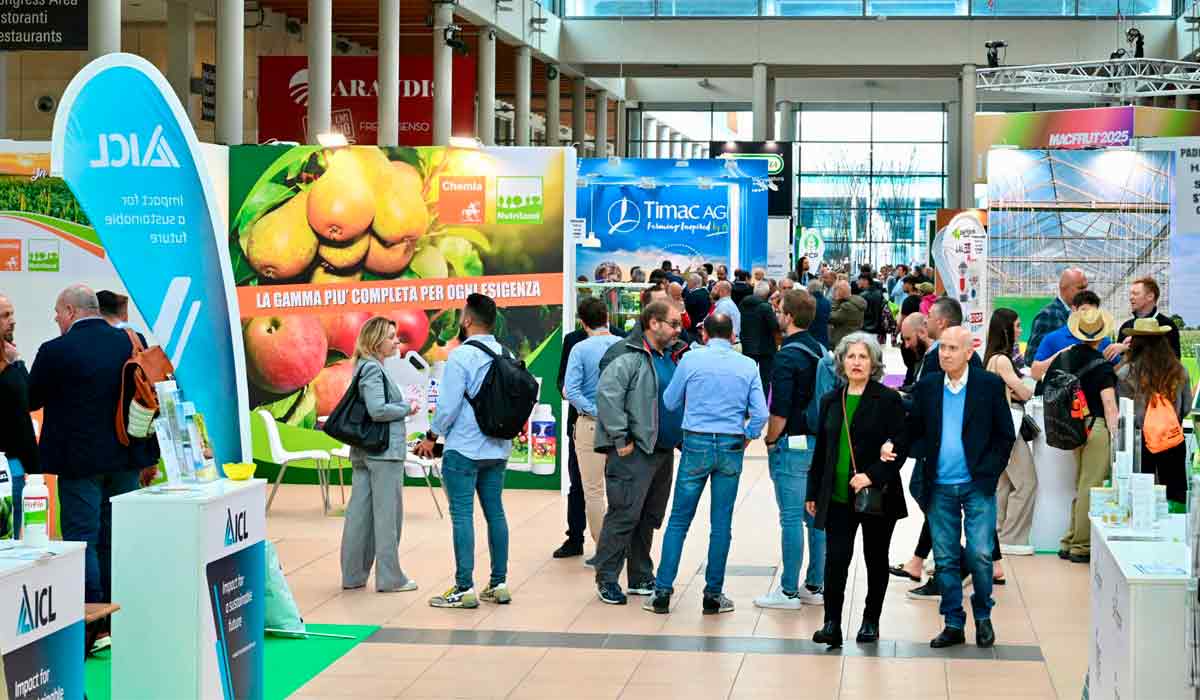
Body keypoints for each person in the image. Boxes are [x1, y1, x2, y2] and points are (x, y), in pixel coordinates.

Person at [28, 284, 159, 611]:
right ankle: (116, 611)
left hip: (78, 465)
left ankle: (90, 616)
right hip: (126, 457)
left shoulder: (54, 350)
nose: (56, 319)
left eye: (58, 313)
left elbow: (31, 399)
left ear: (71, 312)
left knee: (81, 539)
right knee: (114, 537)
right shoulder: (131, 343)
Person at [898, 327, 1015, 649]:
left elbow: (1005, 434)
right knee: (947, 558)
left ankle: (983, 616)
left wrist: (990, 472)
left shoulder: (988, 386)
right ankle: (952, 622)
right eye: (942, 348)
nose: (944, 353)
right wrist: (903, 448)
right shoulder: (929, 387)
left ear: (968, 352)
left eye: (952, 348)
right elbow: (914, 429)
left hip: (977, 484)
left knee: (979, 554)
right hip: (939, 485)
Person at [644, 314, 768, 615]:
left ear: (704, 334)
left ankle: (661, 592)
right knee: (721, 524)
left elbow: (670, 401)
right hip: (730, 445)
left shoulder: (690, 361)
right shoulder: (748, 365)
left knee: (678, 521)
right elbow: (761, 414)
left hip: (695, 444)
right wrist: (747, 435)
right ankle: (713, 595)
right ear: (732, 335)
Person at [806, 333, 909, 648]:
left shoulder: (889, 399)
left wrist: (871, 475)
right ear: (841, 361)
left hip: (877, 496)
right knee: (835, 560)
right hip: (836, 496)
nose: (856, 362)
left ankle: (870, 620)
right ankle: (831, 624)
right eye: (851, 356)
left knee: (875, 559)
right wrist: (812, 492)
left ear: (875, 362)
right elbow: (822, 449)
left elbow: (899, 447)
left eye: (863, 357)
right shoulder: (830, 400)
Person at [416, 294, 514, 609]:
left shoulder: (461, 356)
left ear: (467, 320)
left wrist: (431, 436)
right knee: (495, 512)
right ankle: (499, 584)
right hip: (497, 448)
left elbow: (447, 407)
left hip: (464, 449)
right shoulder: (506, 352)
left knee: (462, 516)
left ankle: (464, 587)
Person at [591, 301, 687, 605]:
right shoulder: (627, 355)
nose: (677, 330)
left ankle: (640, 574)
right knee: (624, 514)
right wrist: (621, 439)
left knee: (648, 516)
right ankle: (606, 577)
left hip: (662, 451)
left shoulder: (668, 356)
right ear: (654, 323)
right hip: (634, 451)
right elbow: (608, 396)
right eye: (673, 324)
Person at [756, 290, 827, 610]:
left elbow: (779, 410)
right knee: (815, 517)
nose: (777, 315)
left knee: (790, 518)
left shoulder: (786, 356)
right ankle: (815, 584)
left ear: (790, 316)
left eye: (780, 310)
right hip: (818, 443)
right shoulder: (821, 350)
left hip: (793, 444)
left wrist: (771, 440)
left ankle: (787, 591)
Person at [340, 317, 420, 593]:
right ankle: (390, 578)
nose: (397, 341)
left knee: (359, 515)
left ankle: (353, 575)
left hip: (365, 451)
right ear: (376, 341)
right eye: (391, 337)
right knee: (388, 518)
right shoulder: (374, 369)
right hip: (383, 453)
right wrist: (405, 408)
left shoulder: (362, 367)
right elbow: (377, 410)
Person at [554, 300, 626, 559]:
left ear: (581, 320)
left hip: (588, 423)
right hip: (621, 425)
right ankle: (605, 544)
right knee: (614, 488)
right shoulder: (624, 343)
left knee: (591, 489)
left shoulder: (579, 345)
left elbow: (567, 388)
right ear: (607, 316)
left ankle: (603, 550)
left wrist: (593, 409)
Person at [1049, 307, 1119, 564]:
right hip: (1096, 426)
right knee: (1092, 484)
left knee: (1081, 483)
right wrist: (1116, 438)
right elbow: (1109, 405)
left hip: (1071, 427)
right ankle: (1081, 545)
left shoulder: (1063, 359)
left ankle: (1070, 539)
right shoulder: (1102, 365)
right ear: (1101, 336)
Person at [1116, 319, 1193, 507]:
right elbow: (1186, 407)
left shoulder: (1125, 373)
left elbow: (1123, 411)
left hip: (1139, 442)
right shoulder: (1179, 370)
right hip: (1172, 437)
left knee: (1141, 500)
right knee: (1175, 497)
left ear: (1135, 343)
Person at [983, 309, 1037, 555]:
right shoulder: (1003, 361)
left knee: (1004, 484)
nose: (1020, 329)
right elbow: (1025, 393)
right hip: (1010, 427)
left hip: (998, 427)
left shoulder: (991, 359)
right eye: (1016, 325)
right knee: (1027, 482)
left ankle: (997, 533)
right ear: (1006, 329)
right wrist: (1021, 387)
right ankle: (1011, 538)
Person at [0, 294, 35, 534]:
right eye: (5, 315)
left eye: (12, 314)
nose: (12, 321)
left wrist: (17, 362)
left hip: (16, 463)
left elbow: (30, 400)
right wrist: (15, 365)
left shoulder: (10, 357)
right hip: (6, 463)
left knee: (14, 539)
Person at [1029, 291, 1111, 385]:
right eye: (1084, 310)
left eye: (1093, 312)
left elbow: (1114, 373)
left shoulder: (1104, 341)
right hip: (1063, 397)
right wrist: (1062, 355)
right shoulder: (1053, 338)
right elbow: (1035, 373)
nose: (1088, 316)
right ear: (1074, 310)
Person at [1107, 276, 1181, 360]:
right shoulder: (1126, 327)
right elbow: (1121, 364)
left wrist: (1131, 347)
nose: (1131, 297)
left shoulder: (1167, 325)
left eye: (1135, 293)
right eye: (1130, 294)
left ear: (1150, 296)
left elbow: (1174, 360)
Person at [1026, 267, 1088, 362]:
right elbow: (1031, 357)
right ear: (1064, 288)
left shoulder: (1075, 314)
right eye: (1081, 288)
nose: (1085, 292)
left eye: (1086, 287)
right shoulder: (1048, 315)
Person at [739, 281, 781, 389]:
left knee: (747, 378)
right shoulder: (765, 307)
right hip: (765, 348)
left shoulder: (743, 304)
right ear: (767, 294)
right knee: (765, 380)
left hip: (747, 345)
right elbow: (774, 326)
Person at [828, 280, 866, 349]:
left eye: (835, 291)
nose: (834, 293)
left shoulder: (847, 306)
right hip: (852, 339)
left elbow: (831, 318)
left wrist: (836, 301)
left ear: (840, 292)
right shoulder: (856, 302)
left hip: (843, 342)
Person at [899, 312, 931, 388]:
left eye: (908, 339)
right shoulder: (910, 352)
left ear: (922, 332)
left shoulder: (936, 357)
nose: (906, 345)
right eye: (904, 339)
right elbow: (909, 381)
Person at [856, 272, 886, 346]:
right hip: (878, 330)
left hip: (866, 329)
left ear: (866, 281)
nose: (857, 282)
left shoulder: (863, 296)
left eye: (859, 280)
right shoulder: (879, 293)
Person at [807, 280, 831, 349]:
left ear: (809, 289)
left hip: (811, 337)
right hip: (824, 336)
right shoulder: (827, 301)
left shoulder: (809, 302)